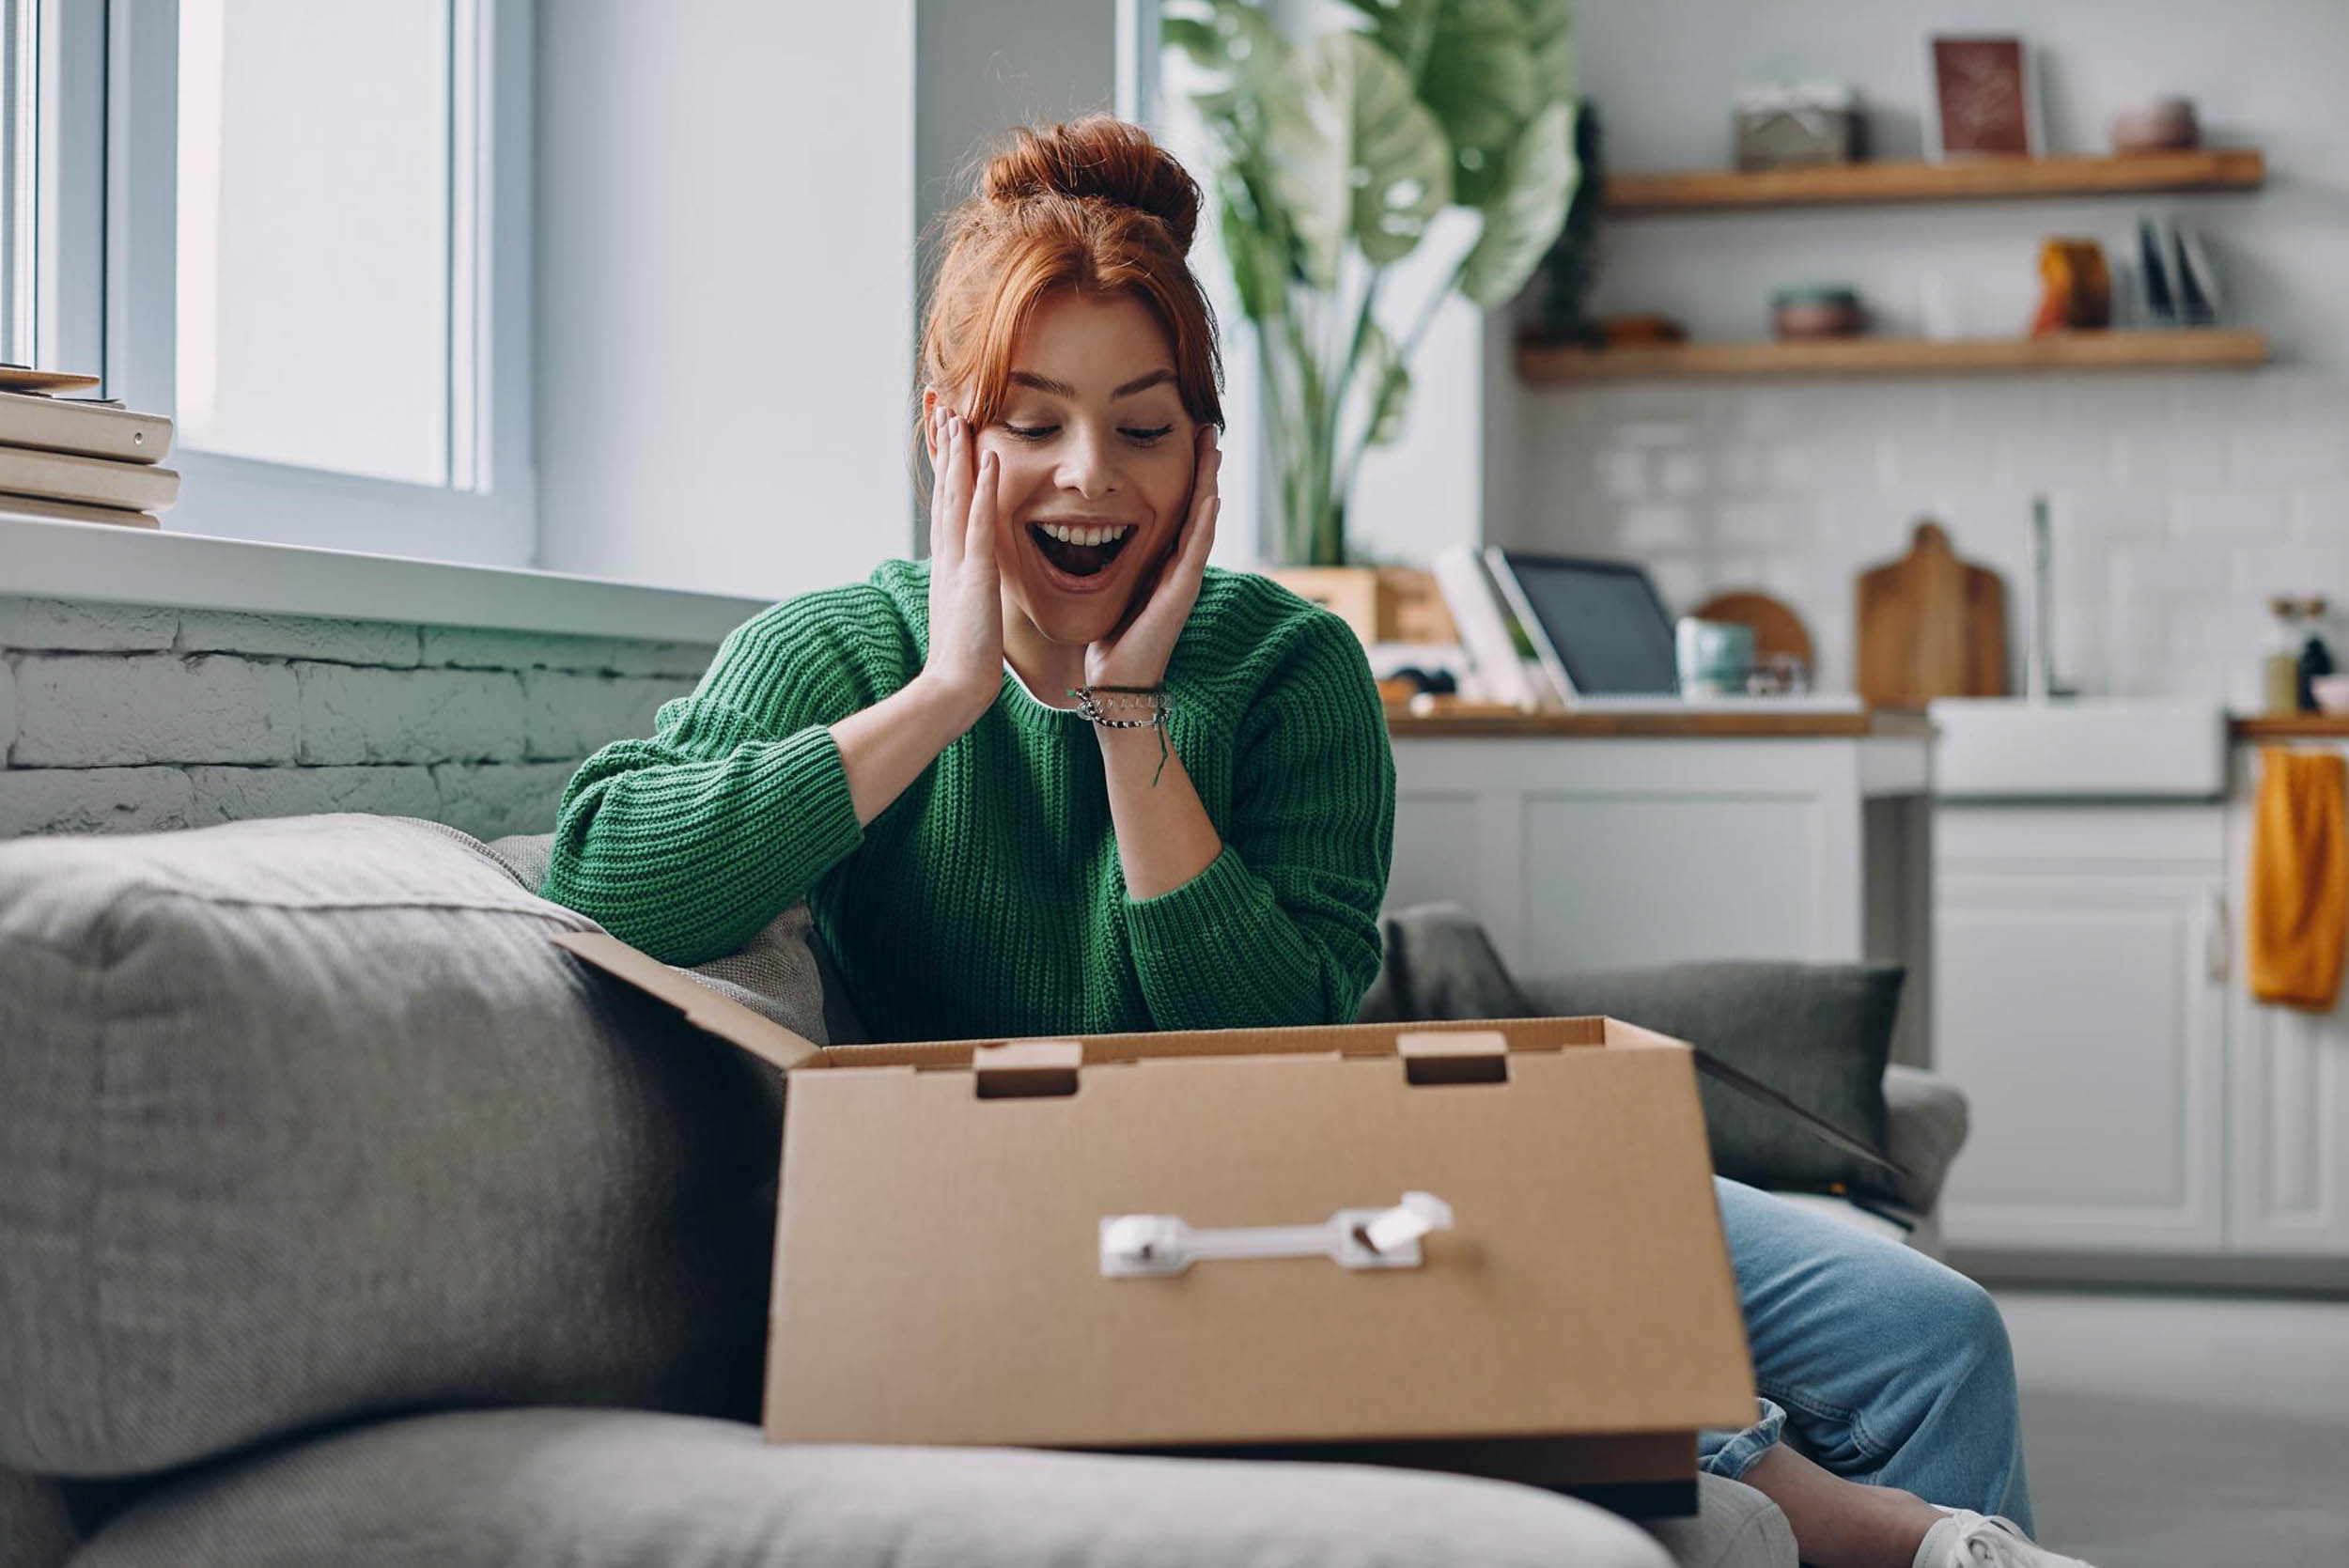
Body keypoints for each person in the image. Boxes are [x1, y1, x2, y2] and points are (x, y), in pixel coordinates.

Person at [538, 115, 2092, 1568]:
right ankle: (1835, 1513)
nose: (1091, 476)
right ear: (953, 442)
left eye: (1143, 427)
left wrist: (1129, 714)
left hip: (1359, 1147)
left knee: (1936, 1331)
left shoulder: (1290, 669)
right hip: (1102, 1234)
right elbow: (604, 868)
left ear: (1204, 455)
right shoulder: (846, 653)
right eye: (1034, 424)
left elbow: (1265, 1041)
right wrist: (948, 697)